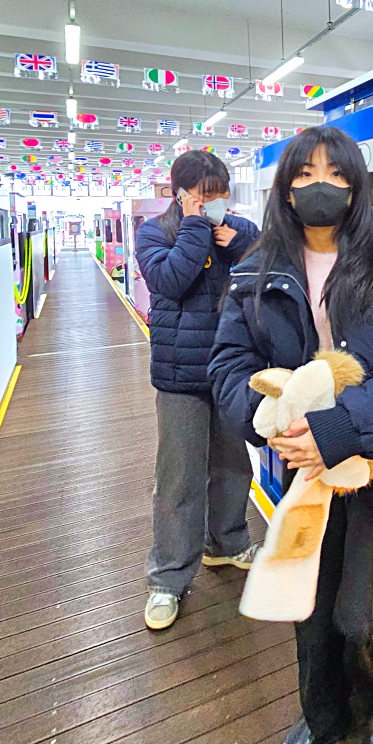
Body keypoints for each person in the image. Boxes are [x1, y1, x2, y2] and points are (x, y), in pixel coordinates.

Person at [210, 126, 373, 744]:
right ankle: (318, 720)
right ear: (286, 185)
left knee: (369, 607)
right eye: (307, 172)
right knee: (308, 603)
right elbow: (230, 365)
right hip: (298, 471)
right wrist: (265, 421)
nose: (322, 185)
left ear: (356, 184)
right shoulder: (253, 272)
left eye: (337, 174)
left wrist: (343, 429)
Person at [134, 150, 261, 631]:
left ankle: (226, 543)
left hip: (230, 368)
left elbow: (265, 253)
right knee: (179, 478)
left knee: (232, 463)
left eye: (220, 196)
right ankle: (168, 578)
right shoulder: (155, 234)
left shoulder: (232, 229)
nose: (214, 205)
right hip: (181, 374)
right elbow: (170, 280)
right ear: (179, 194)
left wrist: (240, 236)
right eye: (204, 197)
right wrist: (194, 228)